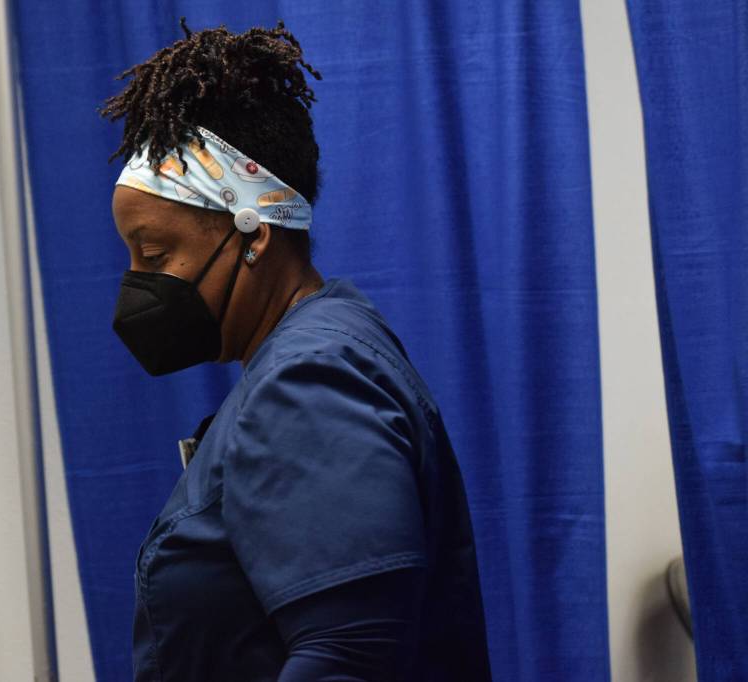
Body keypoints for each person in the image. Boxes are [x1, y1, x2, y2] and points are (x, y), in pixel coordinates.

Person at [99, 18, 492, 681]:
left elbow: (349, 656)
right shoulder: (321, 344)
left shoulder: (310, 379)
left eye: (156, 254)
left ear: (254, 233)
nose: (137, 283)